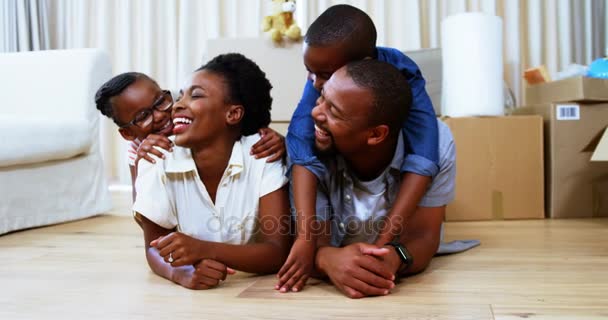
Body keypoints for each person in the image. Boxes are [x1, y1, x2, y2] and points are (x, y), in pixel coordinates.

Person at [277, 4, 439, 292]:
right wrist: (305, 239)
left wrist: (381, 249)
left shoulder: (404, 75)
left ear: (361, 62)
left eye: (325, 74)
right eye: (309, 72)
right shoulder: (319, 82)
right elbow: (300, 145)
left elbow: (424, 156)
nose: (315, 84)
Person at [131, 53, 291, 289]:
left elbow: (277, 251)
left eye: (195, 95)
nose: (178, 105)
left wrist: (205, 250)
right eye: (180, 95)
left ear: (233, 114)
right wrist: (182, 273)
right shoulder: (157, 157)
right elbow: (154, 247)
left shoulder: (262, 154)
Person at [308, 59, 455, 298]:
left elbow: (425, 236)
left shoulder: (435, 144)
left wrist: (397, 258)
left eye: (333, 111)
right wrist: (325, 258)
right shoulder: (311, 144)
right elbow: (306, 241)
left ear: (376, 134)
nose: (315, 112)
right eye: (322, 96)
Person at [94, 72, 286, 200]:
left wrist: (277, 140)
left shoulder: (195, 117)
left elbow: (245, 129)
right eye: (143, 116)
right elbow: (141, 213)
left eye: (161, 101)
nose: (160, 115)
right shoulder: (140, 148)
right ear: (128, 133)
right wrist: (140, 163)